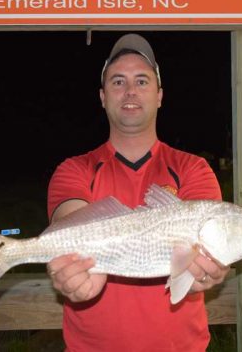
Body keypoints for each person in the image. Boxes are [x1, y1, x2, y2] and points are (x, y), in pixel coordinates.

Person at [47, 33, 230, 351]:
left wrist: (209, 269)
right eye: (118, 82)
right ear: (103, 96)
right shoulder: (74, 170)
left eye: (142, 81)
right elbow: (69, 229)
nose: (130, 90)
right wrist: (70, 270)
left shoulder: (193, 168)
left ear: (159, 95)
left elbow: (207, 246)